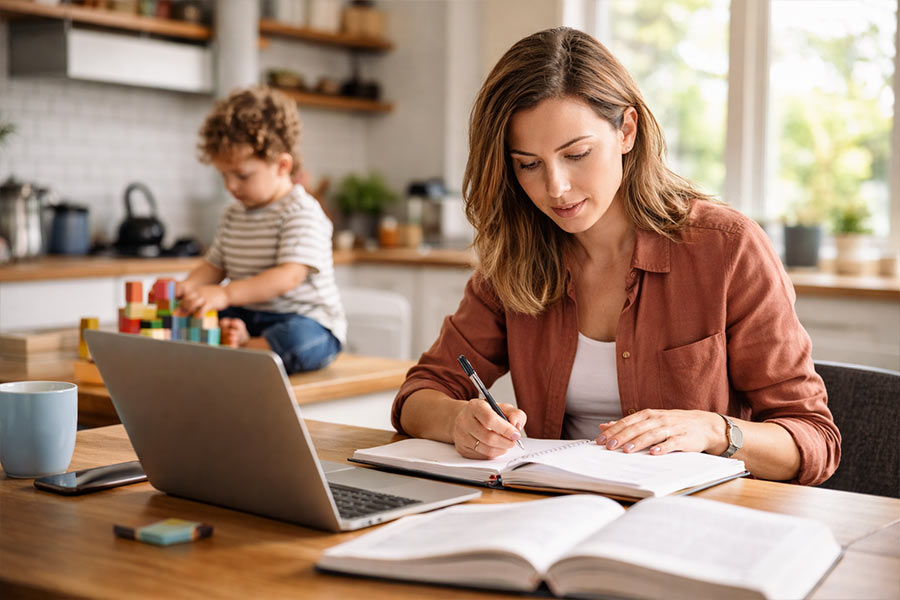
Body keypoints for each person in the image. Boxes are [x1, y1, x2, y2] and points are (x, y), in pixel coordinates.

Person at [391, 27, 840, 486]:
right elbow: (419, 394)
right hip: (554, 509)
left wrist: (711, 430)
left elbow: (814, 441)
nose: (556, 187)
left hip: (692, 517)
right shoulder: (517, 256)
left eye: (577, 154)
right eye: (529, 164)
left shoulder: (726, 247)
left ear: (627, 130)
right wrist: (458, 421)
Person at [176, 86, 346, 374]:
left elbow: (289, 277)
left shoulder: (300, 211)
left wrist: (226, 295)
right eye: (224, 175)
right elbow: (214, 265)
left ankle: (247, 346)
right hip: (249, 314)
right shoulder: (232, 214)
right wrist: (187, 288)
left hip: (303, 319)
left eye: (242, 175)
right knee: (198, 315)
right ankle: (243, 343)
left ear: (282, 165)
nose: (230, 185)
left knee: (298, 339)